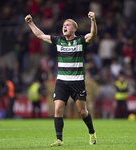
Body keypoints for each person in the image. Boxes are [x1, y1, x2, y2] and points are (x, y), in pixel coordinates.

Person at [25, 11, 97, 146]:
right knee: (58, 108)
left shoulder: (80, 41)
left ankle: (92, 133)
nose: (65, 27)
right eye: (64, 25)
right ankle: (59, 139)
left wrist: (93, 20)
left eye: (68, 25)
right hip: (62, 82)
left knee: (82, 112)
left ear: (74, 29)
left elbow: (92, 34)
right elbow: (40, 35)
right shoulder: (58, 41)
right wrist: (31, 23)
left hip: (77, 82)